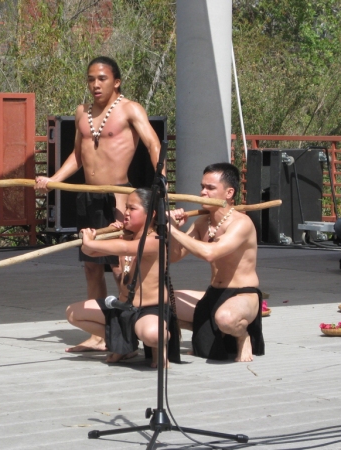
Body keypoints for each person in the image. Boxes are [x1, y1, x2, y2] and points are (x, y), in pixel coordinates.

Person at [35, 56, 162, 352]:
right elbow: (78, 157)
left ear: (116, 81)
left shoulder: (130, 109)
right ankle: (101, 335)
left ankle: (127, 332)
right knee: (92, 266)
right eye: (91, 79)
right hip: (88, 197)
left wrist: (162, 181)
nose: (95, 84)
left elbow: (153, 144)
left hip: (118, 196)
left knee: (120, 267)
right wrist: (54, 179)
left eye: (102, 78)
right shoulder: (82, 112)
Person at [65, 188, 179, 367]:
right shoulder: (125, 237)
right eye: (126, 207)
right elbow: (90, 252)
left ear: (151, 214)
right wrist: (93, 238)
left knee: (153, 335)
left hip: (150, 310)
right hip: (123, 308)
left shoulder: (155, 241)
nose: (126, 212)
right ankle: (125, 344)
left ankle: (157, 348)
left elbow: (125, 249)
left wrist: (93, 242)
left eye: (132, 208)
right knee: (73, 313)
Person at [168, 163, 264, 362]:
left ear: (229, 193)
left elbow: (210, 253)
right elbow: (175, 257)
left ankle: (242, 336)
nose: (203, 192)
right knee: (162, 300)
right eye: (202, 187)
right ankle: (207, 330)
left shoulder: (241, 223)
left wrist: (172, 231)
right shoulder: (202, 223)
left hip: (243, 294)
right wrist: (174, 227)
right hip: (214, 293)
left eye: (210, 188)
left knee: (226, 318)